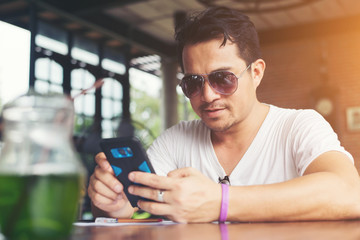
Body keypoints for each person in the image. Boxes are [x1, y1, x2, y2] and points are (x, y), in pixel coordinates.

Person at [88, 7, 360, 223]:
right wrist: (116, 206)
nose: (207, 96)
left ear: (256, 72)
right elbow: (141, 212)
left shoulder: (299, 126)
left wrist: (220, 201)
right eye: (193, 83)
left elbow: (349, 193)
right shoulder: (176, 140)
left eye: (223, 78)